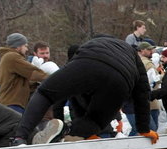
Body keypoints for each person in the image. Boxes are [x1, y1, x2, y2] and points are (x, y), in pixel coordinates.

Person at [12, 36, 157, 143]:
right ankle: (73, 133)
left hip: (86, 62)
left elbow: (74, 88)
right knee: (95, 120)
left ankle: (20, 137)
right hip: (119, 78)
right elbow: (143, 93)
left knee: (44, 93)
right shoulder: (134, 57)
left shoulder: (92, 43)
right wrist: (144, 129)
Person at [0, 33, 47, 113]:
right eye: (25, 46)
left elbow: (21, 81)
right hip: (13, 104)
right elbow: (33, 72)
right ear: (18, 46)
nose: (27, 49)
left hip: (11, 103)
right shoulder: (12, 57)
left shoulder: (8, 57)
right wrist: (53, 78)